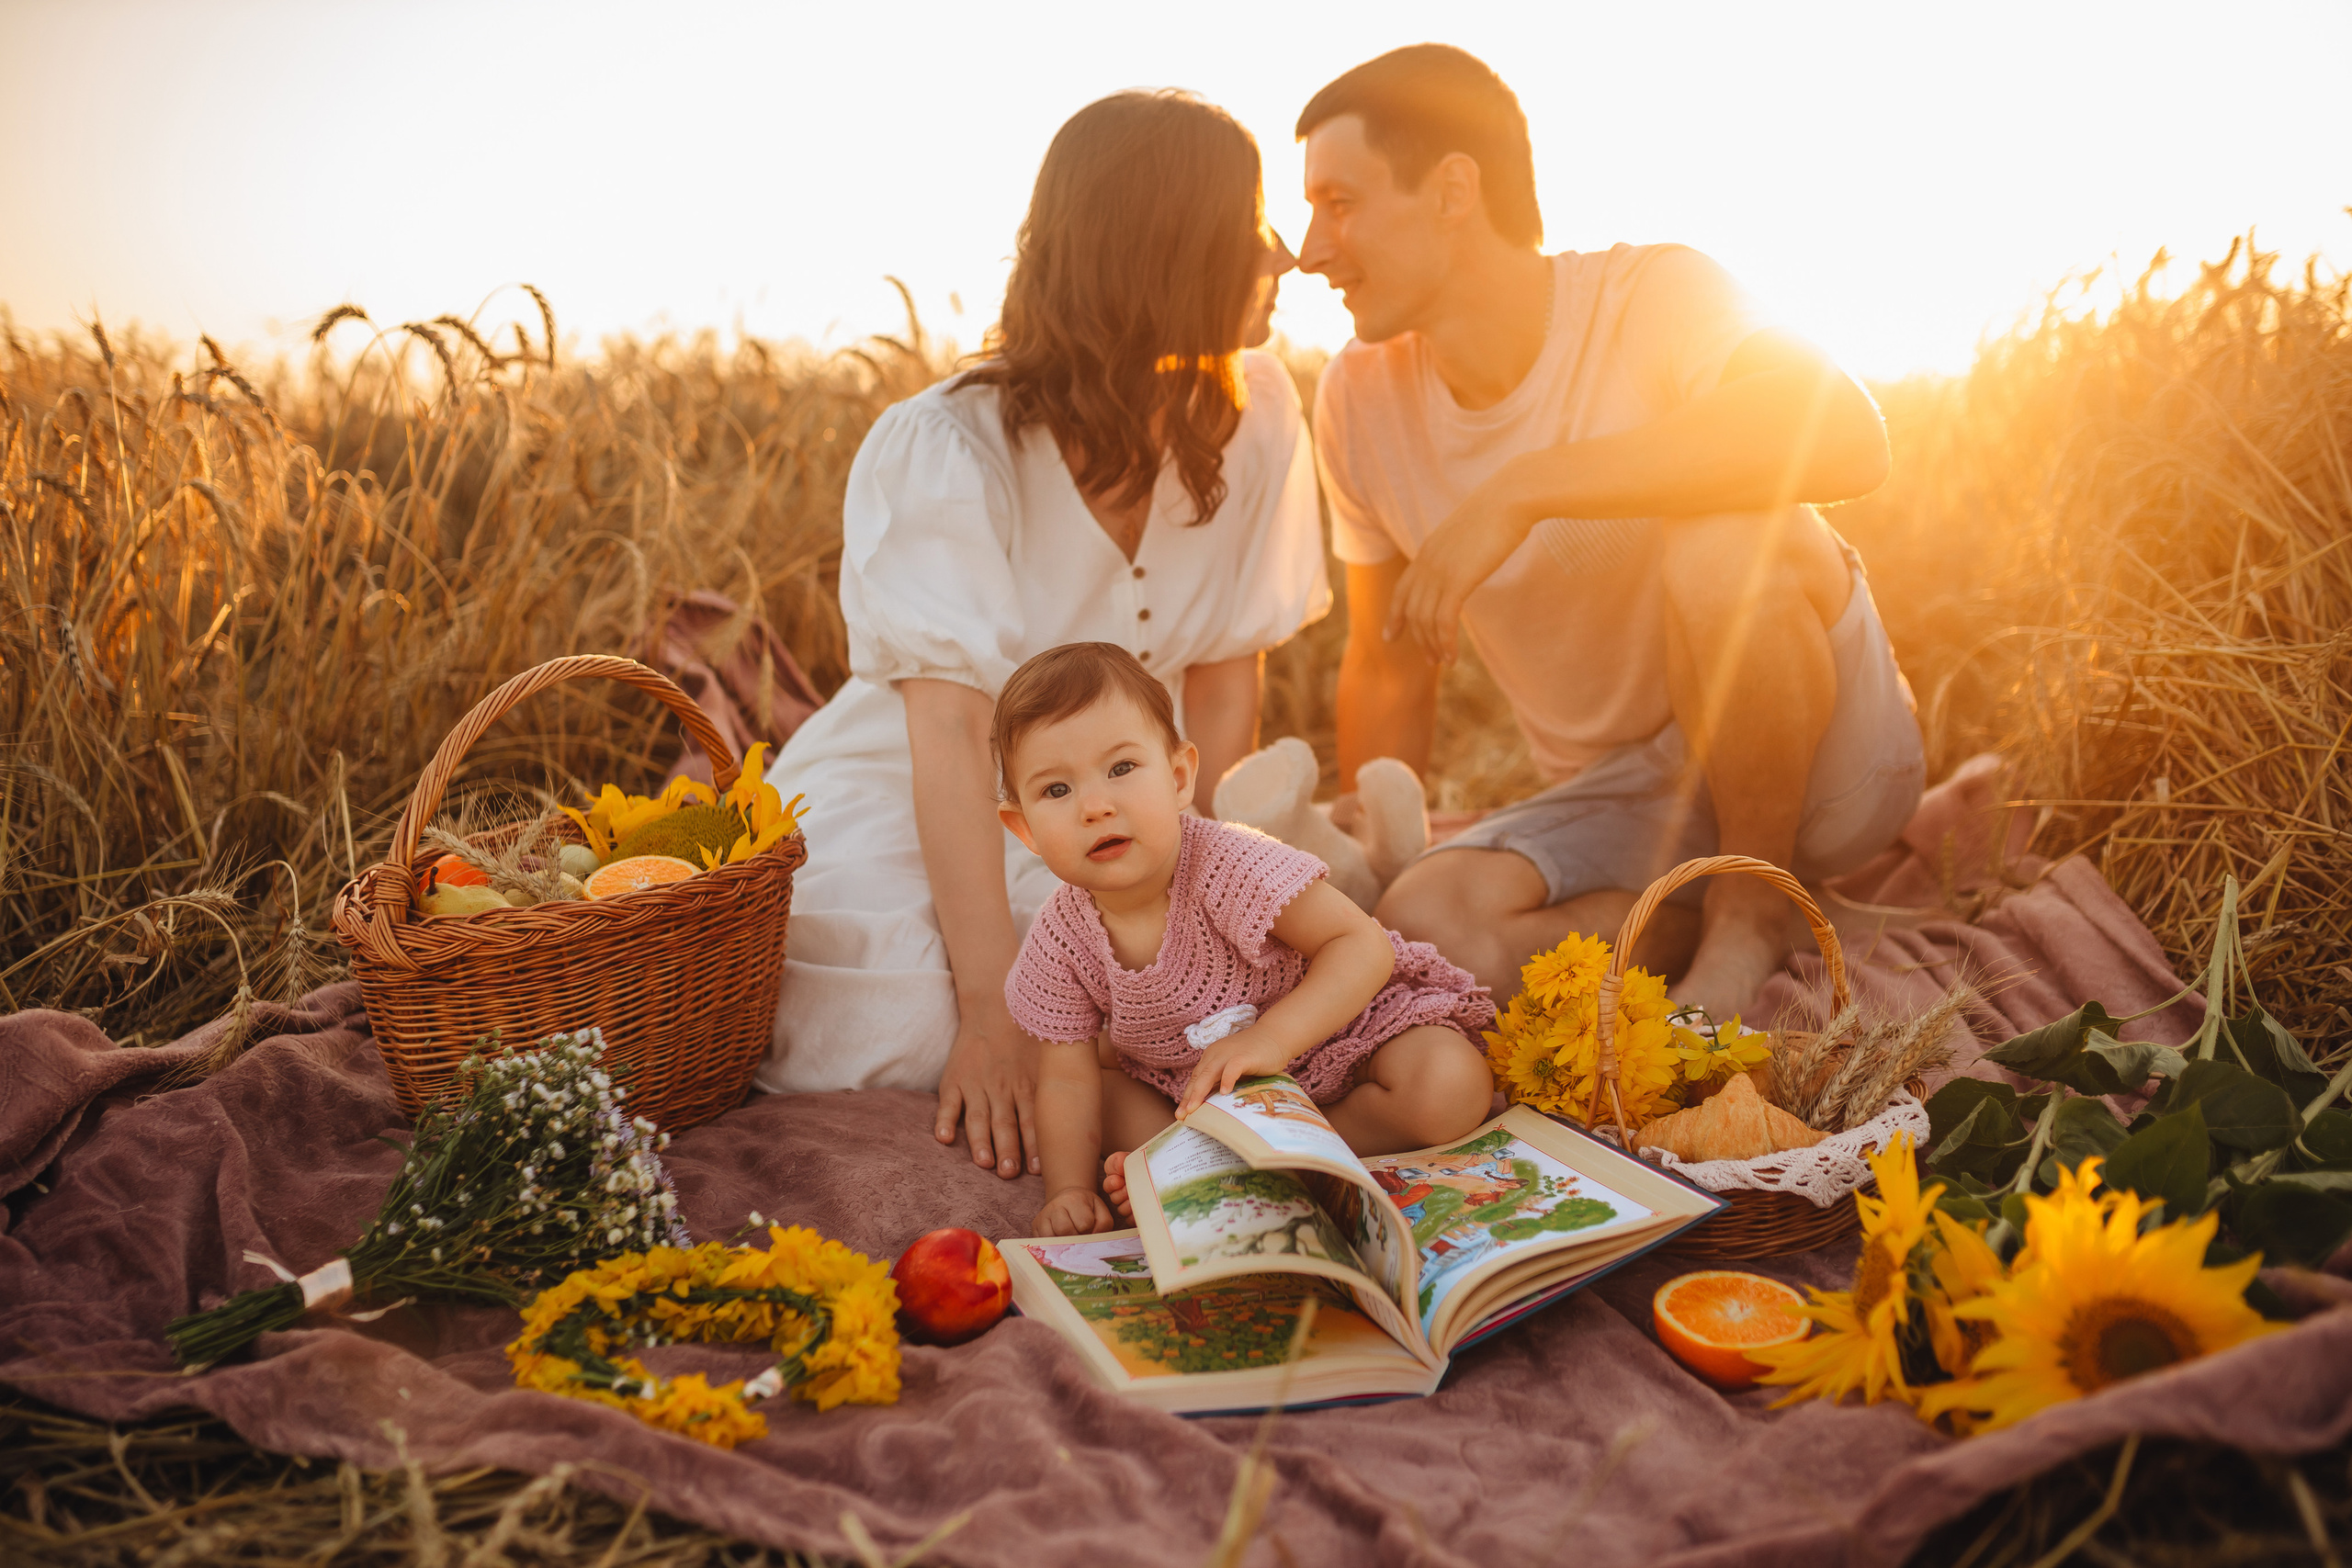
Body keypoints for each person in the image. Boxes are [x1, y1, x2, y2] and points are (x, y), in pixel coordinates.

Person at [754, 92, 1331, 1186]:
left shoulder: (1257, 412)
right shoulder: (946, 447)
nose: (1286, 254)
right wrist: (989, 1010)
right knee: (898, 1018)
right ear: (1160, 251)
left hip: (1118, 792)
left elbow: (1219, 686)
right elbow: (949, 733)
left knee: (1172, 985)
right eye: (1250, 225)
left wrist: (1193, 904)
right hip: (923, 780)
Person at [1295, 45, 1924, 1021]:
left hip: (1826, 765)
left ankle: (1755, 911)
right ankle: (1725, 909)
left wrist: (1528, 487)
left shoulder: (1653, 296)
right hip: (1631, 800)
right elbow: (1387, 663)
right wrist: (1375, 860)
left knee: (1720, 536)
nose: (1309, 249)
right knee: (1429, 927)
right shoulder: (1355, 399)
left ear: (1453, 190)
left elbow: (1844, 431)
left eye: (1339, 203)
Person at [989, 643, 1497, 1238]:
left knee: (1451, 1085)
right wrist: (1070, 1189)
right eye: (1056, 791)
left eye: (1122, 768)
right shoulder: (1060, 937)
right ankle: (1218, 1155)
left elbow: (1361, 944)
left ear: (1179, 778)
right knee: (1094, 1091)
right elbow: (1067, 1078)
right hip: (1200, 1090)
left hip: (1337, 1039)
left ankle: (1287, 1155)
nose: (1096, 806)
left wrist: (1273, 1038)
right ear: (1023, 827)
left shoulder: (1228, 863)